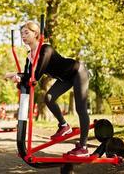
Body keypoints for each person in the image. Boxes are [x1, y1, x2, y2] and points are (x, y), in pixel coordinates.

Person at [6, 21, 90, 157]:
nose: (23, 36)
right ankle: (64, 126)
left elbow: (36, 75)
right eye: (22, 33)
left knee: (81, 108)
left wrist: (18, 76)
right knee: (49, 98)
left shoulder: (46, 49)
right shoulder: (29, 56)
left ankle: (84, 147)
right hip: (65, 78)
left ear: (36, 34)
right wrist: (17, 76)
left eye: (26, 33)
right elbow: (28, 75)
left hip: (78, 72)